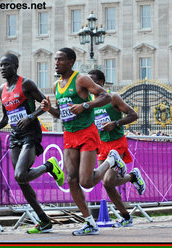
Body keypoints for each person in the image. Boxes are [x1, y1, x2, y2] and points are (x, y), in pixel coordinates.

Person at [41, 48, 125, 236]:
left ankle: (111, 161)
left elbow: (106, 96)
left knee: (86, 182)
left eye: (60, 60)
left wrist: (85, 105)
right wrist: (49, 110)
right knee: (71, 179)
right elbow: (62, 114)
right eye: (55, 59)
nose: (56, 63)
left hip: (87, 133)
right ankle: (89, 222)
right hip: (69, 135)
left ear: (70, 62)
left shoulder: (81, 79)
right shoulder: (57, 85)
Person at [0, 54, 65, 234]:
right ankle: (44, 221)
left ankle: (49, 166)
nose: (3, 68)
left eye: (7, 65)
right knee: (22, 181)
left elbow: (45, 104)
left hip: (31, 133)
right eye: (1, 65)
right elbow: (6, 117)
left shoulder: (26, 84)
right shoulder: (1, 89)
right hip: (15, 135)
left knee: (20, 175)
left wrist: (30, 117)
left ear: (16, 66)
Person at [88, 69, 146, 227]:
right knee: (101, 181)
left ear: (100, 83)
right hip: (101, 145)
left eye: (92, 82)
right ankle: (132, 179)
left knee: (107, 181)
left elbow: (133, 115)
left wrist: (116, 123)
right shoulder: (89, 102)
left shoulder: (112, 97)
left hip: (116, 143)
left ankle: (126, 216)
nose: (88, 85)